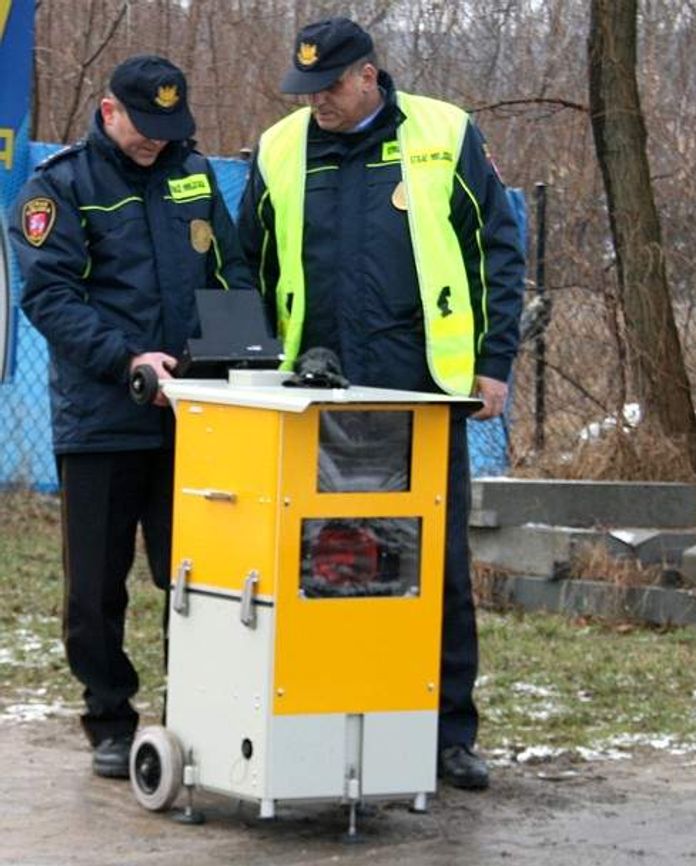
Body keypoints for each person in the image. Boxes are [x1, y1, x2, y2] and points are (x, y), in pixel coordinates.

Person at [239, 17, 524, 790]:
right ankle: (335, 720)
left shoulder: (445, 132)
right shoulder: (279, 148)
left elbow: (497, 248)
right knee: (325, 562)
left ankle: (448, 734)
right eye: (305, 89)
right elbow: (248, 269)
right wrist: (249, 370)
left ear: (368, 74)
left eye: (329, 86)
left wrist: (494, 364)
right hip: (314, 395)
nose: (316, 102)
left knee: (434, 564)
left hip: (421, 388)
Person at [8, 55, 252, 778]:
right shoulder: (59, 188)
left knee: (195, 578)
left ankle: (195, 712)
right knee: (95, 586)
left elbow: (230, 272)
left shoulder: (196, 175)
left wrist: (239, 354)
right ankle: (109, 715)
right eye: (145, 127)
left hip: (195, 418)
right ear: (109, 112)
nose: (155, 141)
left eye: (167, 129)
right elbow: (50, 298)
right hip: (103, 416)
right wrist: (129, 361)